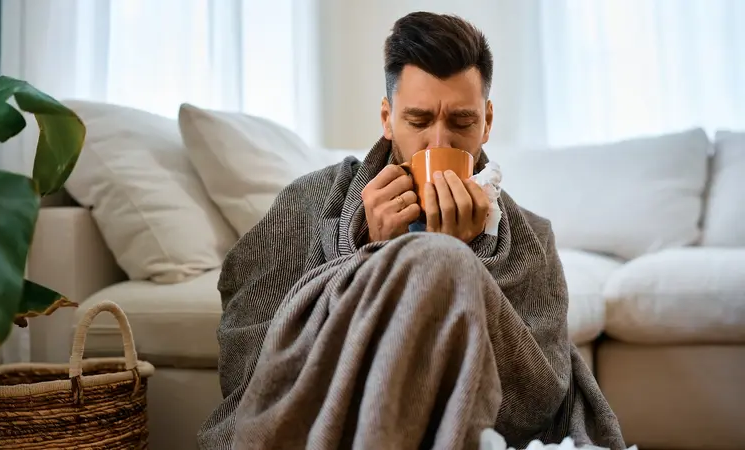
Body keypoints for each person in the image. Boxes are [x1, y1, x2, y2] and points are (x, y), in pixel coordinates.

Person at [198, 11, 626, 450]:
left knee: (442, 260)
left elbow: (535, 407)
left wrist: (464, 262)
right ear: (387, 118)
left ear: (487, 122)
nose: (439, 145)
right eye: (418, 121)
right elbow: (247, 368)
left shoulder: (532, 239)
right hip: (331, 417)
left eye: (461, 123)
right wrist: (368, 252)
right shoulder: (306, 204)